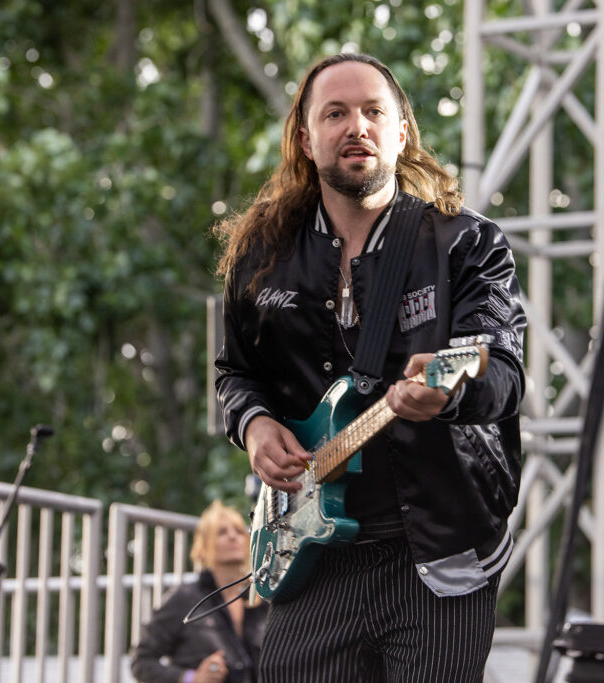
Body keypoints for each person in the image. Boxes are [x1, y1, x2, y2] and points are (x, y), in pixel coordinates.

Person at [213, 52, 526, 683]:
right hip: (311, 556)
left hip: (437, 554)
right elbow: (234, 373)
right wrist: (254, 427)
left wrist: (450, 392)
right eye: (336, 113)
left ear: (401, 131)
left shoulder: (465, 242)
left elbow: (503, 374)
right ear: (306, 138)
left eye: (373, 111)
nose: (357, 126)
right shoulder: (263, 256)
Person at [131, 501, 267, 683]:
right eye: (222, 532)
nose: (233, 537)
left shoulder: (261, 597)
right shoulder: (185, 598)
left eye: (239, 531)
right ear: (203, 549)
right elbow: (141, 661)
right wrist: (191, 678)